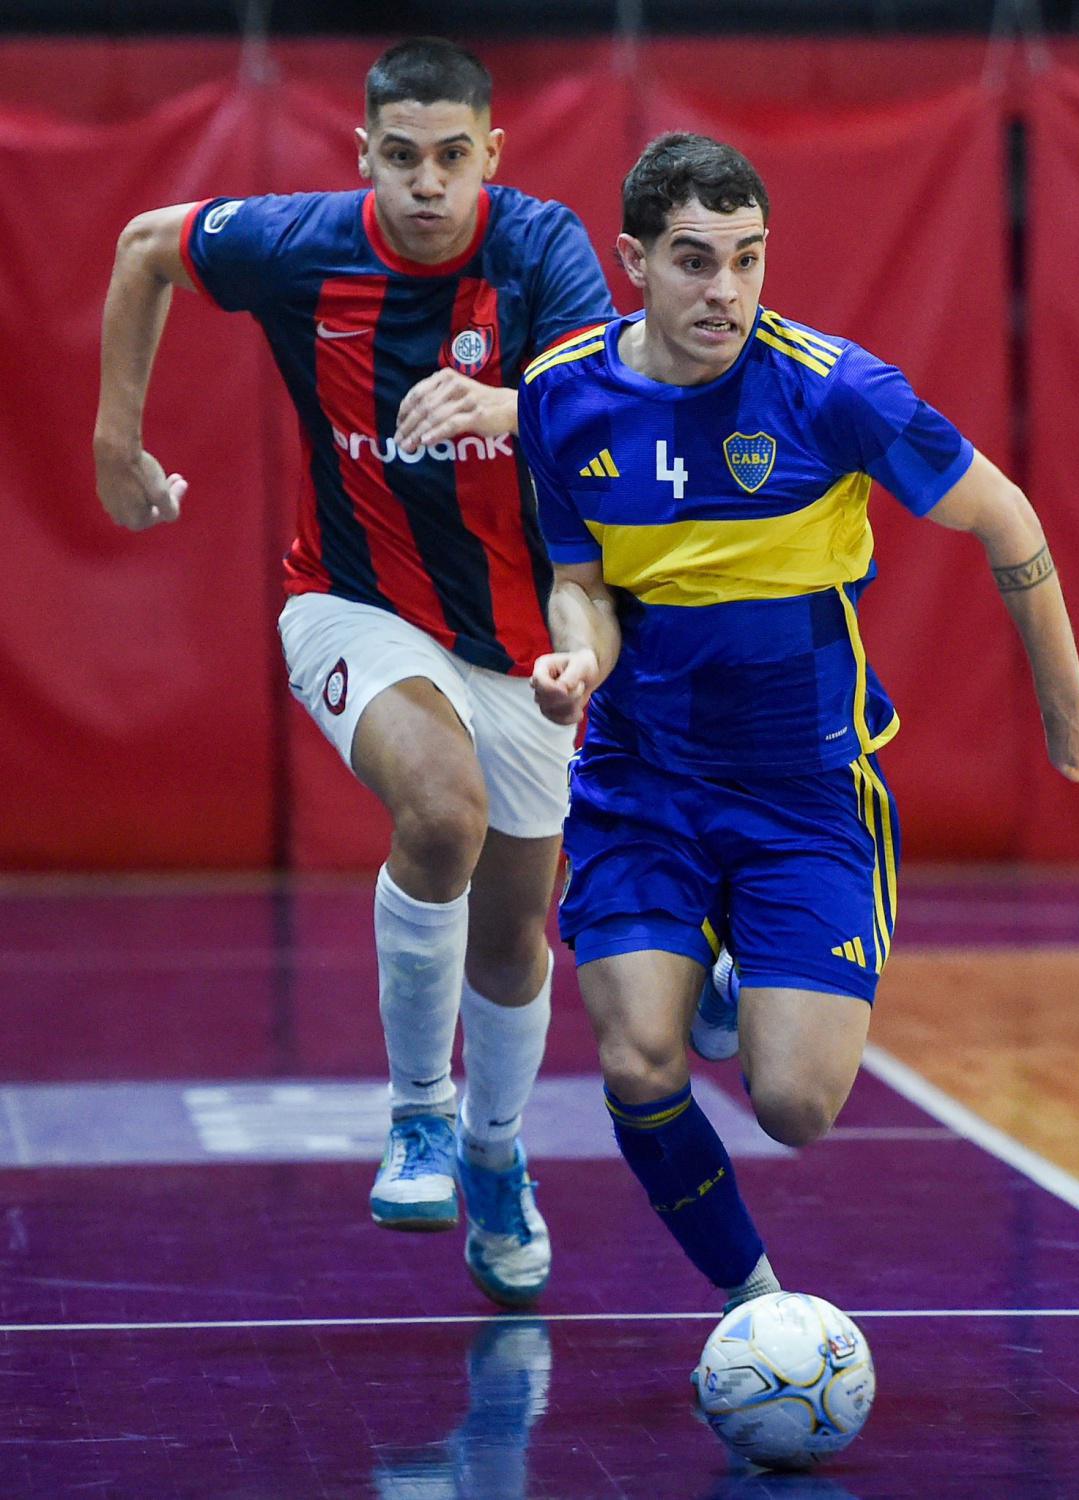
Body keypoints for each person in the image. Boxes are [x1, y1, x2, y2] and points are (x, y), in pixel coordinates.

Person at [518, 132, 1079, 1314]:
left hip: (805, 787)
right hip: (643, 775)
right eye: (694, 261)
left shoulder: (834, 390)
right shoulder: (560, 396)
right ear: (633, 259)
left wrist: (1066, 701)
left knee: (796, 1107)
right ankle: (759, 1310)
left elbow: (1006, 519)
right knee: (640, 1056)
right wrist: (575, 661)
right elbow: (580, 577)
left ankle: (740, 977)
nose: (727, 292)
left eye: (748, 259)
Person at [93, 37, 615, 1308]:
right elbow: (144, 247)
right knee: (440, 810)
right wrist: (117, 440)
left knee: (513, 936)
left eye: (451, 158)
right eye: (400, 158)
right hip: (348, 601)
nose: (425, 184)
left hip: (524, 632)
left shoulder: (542, 250)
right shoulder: (302, 242)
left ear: (491, 155)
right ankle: (419, 1117)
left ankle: (497, 1156)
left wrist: (506, 416)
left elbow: (610, 390)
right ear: (362, 154)